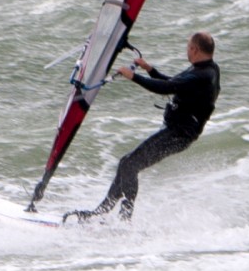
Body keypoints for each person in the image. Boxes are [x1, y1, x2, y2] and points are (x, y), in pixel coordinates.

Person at [65, 30, 220, 223]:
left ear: (195, 49)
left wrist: (133, 77)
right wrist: (149, 69)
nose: (187, 50)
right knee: (126, 163)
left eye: (188, 47)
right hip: (177, 132)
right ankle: (103, 212)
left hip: (179, 134)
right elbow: (173, 83)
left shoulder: (202, 75)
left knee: (130, 164)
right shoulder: (206, 69)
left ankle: (124, 218)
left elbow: (165, 88)